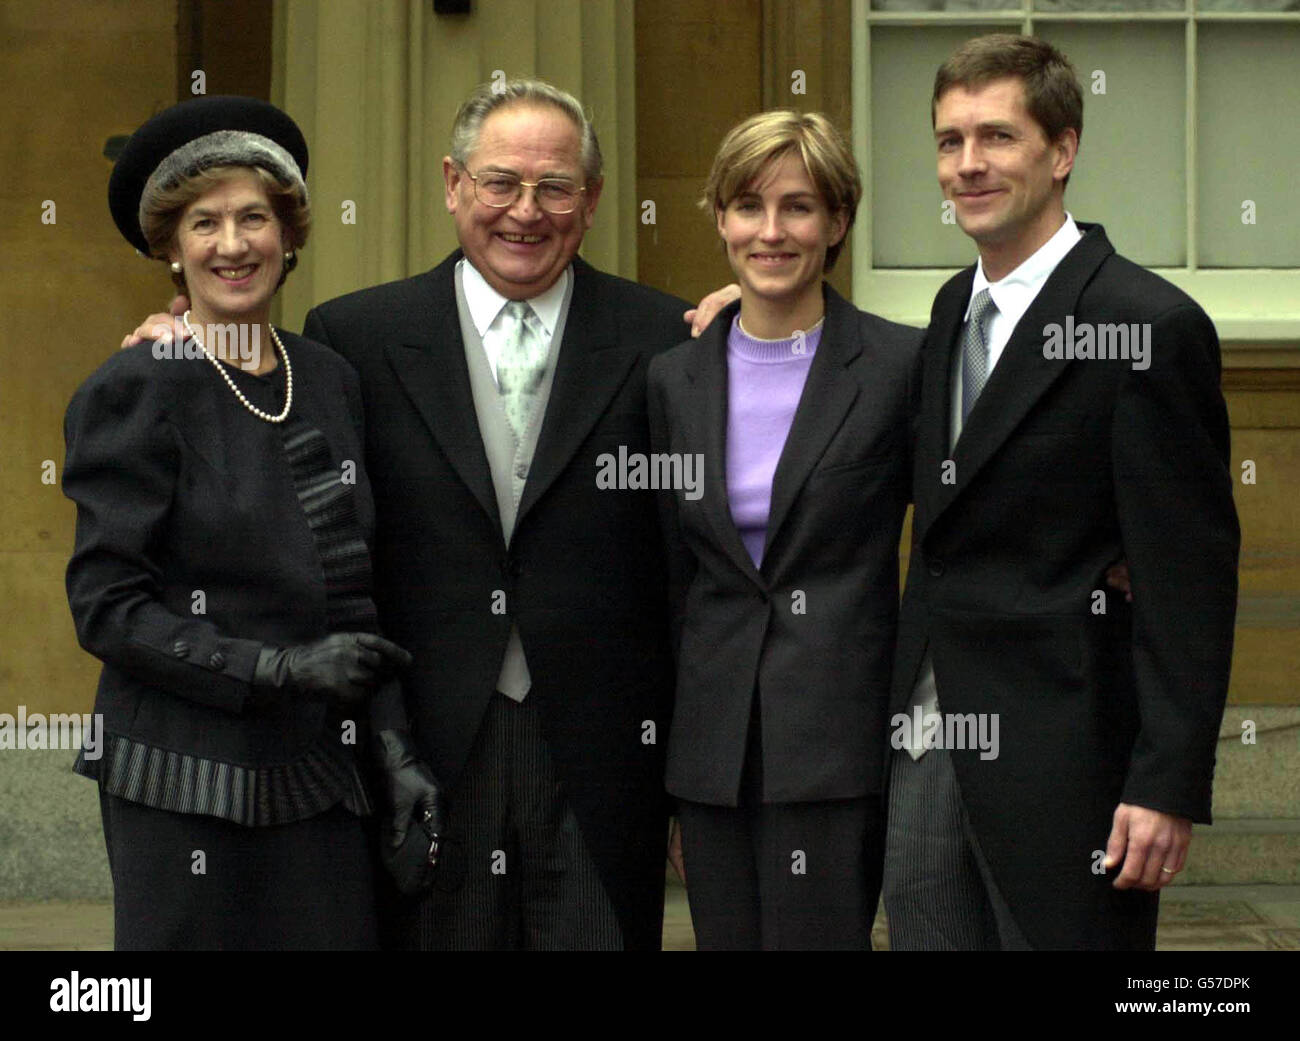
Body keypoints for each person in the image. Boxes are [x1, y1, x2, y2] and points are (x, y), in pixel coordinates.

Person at [882, 34, 1240, 950]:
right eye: (949, 140)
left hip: (1071, 763)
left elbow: (1188, 584)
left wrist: (1166, 784)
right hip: (928, 740)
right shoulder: (946, 310)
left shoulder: (1146, 324)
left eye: (997, 137)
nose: (968, 165)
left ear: (1063, 150)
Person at [65, 95, 438, 950]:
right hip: (182, 777)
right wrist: (273, 666)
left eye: (253, 218)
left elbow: (357, 592)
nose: (232, 245)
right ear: (169, 246)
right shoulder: (137, 386)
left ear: (289, 233)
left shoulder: (331, 378)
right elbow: (107, 607)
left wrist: (392, 745)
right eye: (205, 223)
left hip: (319, 774)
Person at [647, 111, 921, 950]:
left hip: (837, 743)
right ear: (721, 219)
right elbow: (674, 575)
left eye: (798, 207)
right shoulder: (672, 376)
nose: (771, 231)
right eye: (748, 206)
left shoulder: (900, 364)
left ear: (837, 222)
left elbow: (971, 519)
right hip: (712, 753)